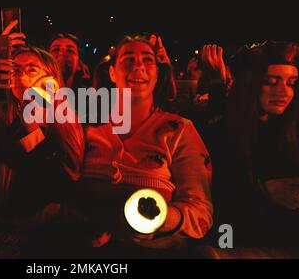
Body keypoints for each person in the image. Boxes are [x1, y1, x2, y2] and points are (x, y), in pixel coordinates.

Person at [64, 34, 213, 257]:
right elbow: (63, 188)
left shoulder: (178, 129)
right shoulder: (86, 129)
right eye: (128, 59)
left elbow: (201, 213)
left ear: (156, 74)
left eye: (147, 60)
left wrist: (157, 217)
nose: (138, 66)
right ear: (112, 73)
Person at [0, 45, 84, 257]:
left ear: (52, 81)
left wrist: (30, 125)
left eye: (31, 70)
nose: (21, 76)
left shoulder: (65, 123)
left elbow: (59, 186)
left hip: (45, 236)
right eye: (15, 69)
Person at [202, 41, 299, 258]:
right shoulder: (221, 129)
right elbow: (214, 197)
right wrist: (263, 191)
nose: (283, 91)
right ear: (250, 84)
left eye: (291, 83)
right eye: (271, 82)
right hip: (235, 240)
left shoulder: (291, 129)